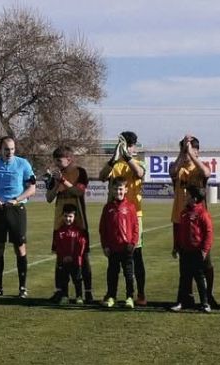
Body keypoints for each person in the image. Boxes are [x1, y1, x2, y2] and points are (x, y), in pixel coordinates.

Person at [0, 135, 38, 298]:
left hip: (17, 209)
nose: (10, 152)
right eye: (6, 149)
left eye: (12, 149)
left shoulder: (23, 164)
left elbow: (32, 189)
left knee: (19, 247)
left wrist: (16, 200)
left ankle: (22, 288)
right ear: (0, 149)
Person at [168, 134, 216, 305]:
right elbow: (172, 171)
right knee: (185, 263)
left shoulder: (199, 168)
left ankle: (208, 295)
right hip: (180, 219)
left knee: (205, 262)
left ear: (197, 151)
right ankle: (187, 296)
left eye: (190, 150)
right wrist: (183, 152)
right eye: (184, 149)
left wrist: (192, 155)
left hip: (199, 220)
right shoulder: (178, 167)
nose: (187, 153)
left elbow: (206, 172)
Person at [102, 132, 149, 305]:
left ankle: (140, 294)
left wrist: (128, 157)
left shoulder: (138, 162)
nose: (125, 148)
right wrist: (113, 159)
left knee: (135, 254)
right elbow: (101, 176)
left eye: (128, 144)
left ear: (133, 147)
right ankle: (111, 293)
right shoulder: (114, 164)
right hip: (113, 215)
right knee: (113, 257)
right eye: (122, 144)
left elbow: (139, 173)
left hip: (134, 215)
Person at [47, 146, 97, 305]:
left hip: (79, 219)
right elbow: (49, 198)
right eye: (55, 160)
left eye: (59, 160)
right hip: (60, 220)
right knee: (60, 256)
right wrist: (55, 183)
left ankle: (87, 292)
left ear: (69, 159)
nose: (56, 163)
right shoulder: (55, 175)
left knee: (83, 255)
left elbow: (79, 192)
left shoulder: (80, 172)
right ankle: (61, 292)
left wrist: (63, 181)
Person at [171, 184, 214, 312]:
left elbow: (209, 233)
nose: (185, 196)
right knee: (184, 278)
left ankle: (205, 303)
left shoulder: (202, 213)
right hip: (185, 251)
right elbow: (180, 232)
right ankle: (180, 302)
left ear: (194, 198)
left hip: (197, 252)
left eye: (188, 195)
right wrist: (177, 247)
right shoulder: (183, 213)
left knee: (200, 278)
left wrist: (204, 250)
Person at [99, 179, 139, 308]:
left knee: (128, 274)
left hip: (126, 247)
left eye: (121, 189)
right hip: (112, 248)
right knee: (112, 274)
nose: (118, 191)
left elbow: (135, 228)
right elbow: (103, 229)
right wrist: (105, 245)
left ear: (126, 190)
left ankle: (129, 297)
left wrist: (132, 243)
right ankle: (111, 296)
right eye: (116, 189)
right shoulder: (108, 208)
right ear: (111, 190)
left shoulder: (131, 207)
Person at [51, 208, 89, 304]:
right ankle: (65, 296)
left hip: (76, 261)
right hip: (64, 261)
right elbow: (58, 246)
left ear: (75, 217)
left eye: (70, 216)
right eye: (66, 216)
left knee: (77, 279)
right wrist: (64, 256)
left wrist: (73, 256)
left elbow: (81, 246)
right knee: (64, 279)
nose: (68, 219)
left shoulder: (78, 231)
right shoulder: (60, 231)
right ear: (62, 216)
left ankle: (79, 296)